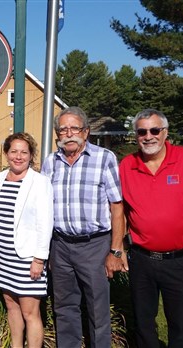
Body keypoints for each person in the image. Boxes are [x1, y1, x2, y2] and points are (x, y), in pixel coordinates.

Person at [120, 109, 183, 347]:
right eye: (142, 131)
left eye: (155, 130)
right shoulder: (127, 165)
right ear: (136, 135)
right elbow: (119, 209)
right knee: (143, 322)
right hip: (141, 259)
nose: (148, 136)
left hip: (179, 261)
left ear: (165, 132)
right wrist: (118, 248)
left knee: (181, 323)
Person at [41, 106, 127, 348]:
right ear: (57, 134)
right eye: (63, 129)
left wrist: (116, 251)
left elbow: (117, 206)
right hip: (60, 246)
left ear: (86, 131)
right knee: (64, 307)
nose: (69, 134)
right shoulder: (50, 162)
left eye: (74, 128)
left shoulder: (104, 158)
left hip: (94, 246)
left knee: (97, 309)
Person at [0, 132, 54, 347]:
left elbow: (45, 223)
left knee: (30, 313)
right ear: (6, 153)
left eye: (24, 152)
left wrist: (39, 259)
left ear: (31, 155)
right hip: (3, 257)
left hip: (27, 259)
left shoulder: (40, 182)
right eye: (13, 151)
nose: (18, 156)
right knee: (11, 307)